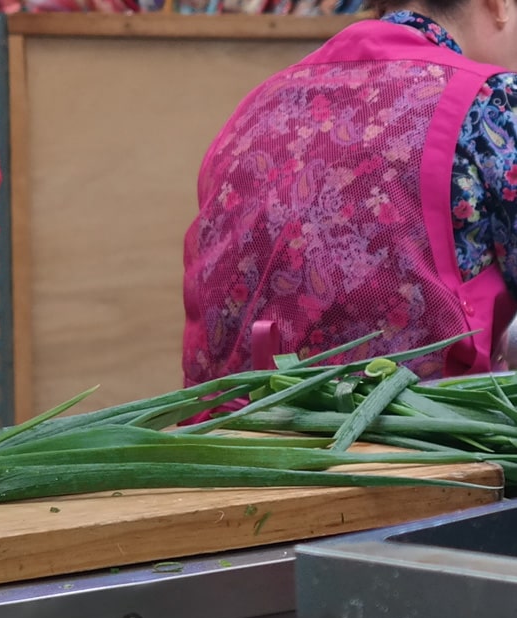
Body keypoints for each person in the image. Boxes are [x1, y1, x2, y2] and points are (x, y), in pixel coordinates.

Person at [183, 0, 517, 386]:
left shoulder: (257, 106)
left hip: (238, 420)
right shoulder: (492, 101)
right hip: (417, 422)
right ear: (499, 5)